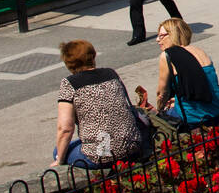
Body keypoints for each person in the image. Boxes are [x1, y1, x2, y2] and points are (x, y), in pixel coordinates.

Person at [54, 39, 150, 170]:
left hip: (102, 153)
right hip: (131, 146)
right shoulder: (111, 73)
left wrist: (59, 159)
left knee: (58, 151)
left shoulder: (69, 84)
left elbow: (65, 129)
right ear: (92, 56)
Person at [152, 18, 219, 125]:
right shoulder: (200, 52)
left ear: (173, 35)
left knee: (152, 122)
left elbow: (161, 93)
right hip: (217, 112)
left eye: (161, 36)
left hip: (193, 117)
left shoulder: (168, 55)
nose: (157, 40)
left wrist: (159, 110)